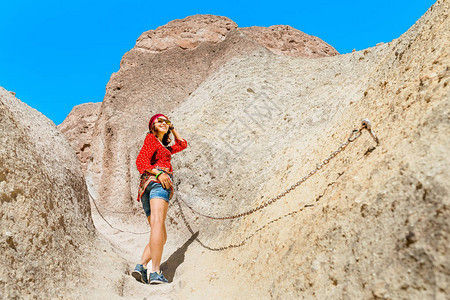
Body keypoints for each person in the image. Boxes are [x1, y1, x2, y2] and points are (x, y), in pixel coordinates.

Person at [131, 113, 188, 284]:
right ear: (152, 127)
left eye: (166, 121)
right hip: (157, 184)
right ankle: (155, 271)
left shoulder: (163, 147)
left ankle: (141, 266)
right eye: (159, 121)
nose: (164, 123)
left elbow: (182, 144)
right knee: (158, 225)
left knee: (161, 235)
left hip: (147, 189)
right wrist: (160, 173)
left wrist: (173, 128)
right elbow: (141, 162)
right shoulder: (151, 139)